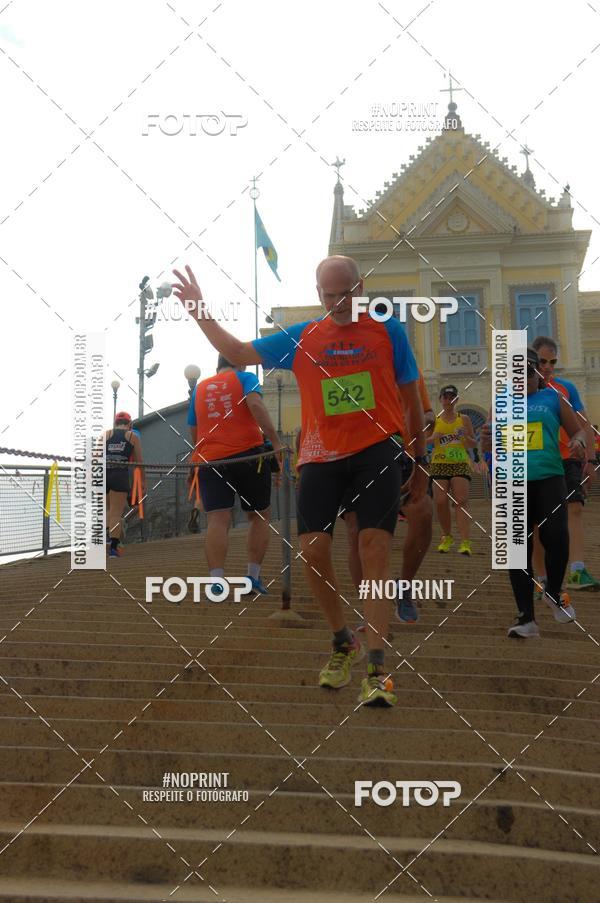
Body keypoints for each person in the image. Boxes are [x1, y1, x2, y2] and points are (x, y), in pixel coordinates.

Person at [173, 257, 427, 708]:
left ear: (360, 287)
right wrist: (198, 310)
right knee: (312, 551)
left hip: (377, 448)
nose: (338, 303)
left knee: (372, 548)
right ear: (318, 294)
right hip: (320, 455)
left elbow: (410, 396)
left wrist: (418, 460)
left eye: (346, 294)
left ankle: (376, 667)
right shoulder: (304, 337)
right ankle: (341, 641)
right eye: (329, 296)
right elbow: (237, 353)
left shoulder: (388, 332)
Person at [500, 348, 586, 637]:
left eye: (527, 371)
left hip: (549, 477)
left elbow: (578, 430)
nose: (521, 378)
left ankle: (552, 591)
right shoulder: (501, 402)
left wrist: (578, 441)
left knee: (556, 538)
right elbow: (491, 440)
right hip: (513, 482)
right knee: (517, 552)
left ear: (537, 373)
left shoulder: (552, 398)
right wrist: (487, 443)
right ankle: (526, 619)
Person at [343, 370, 435, 624]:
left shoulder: (405, 364)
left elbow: (427, 412)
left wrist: (426, 421)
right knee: (355, 530)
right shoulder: (346, 359)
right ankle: (370, 607)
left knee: (424, 513)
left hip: (402, 452)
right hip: (353, 453)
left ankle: (403, 586)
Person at [188, 354, 282, 596]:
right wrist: (275, 441)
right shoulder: (245, 377)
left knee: (217, 519)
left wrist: (200, 457)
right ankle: (252, 578)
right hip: (247, 455)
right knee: (259, 515)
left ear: (217, 364)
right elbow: (256, 405)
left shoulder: (199, 388)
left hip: (210, 458)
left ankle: (216, 583)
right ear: (240, 362)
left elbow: (194, 429)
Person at [531, 336, 598, 592]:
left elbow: (585, 425)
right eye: (543, 361)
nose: (548, 366)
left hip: (568, 460)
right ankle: (543, 579)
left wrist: (590, 460)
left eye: (553, 361)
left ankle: (578, 570)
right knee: (537, 524)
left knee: (575, 509)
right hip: (538, 463)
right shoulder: (523, 392)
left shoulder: (566, 388)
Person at [429, 385, 477, 555]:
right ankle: (447, 536)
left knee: (461, 500)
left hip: (459, 461)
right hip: (440, 463)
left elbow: (473, 443)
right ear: (441, 399)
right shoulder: (434, 420)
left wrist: (465, 438)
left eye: (452, 397)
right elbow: (422, 441)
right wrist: (433, 438)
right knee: (440, 501)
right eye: (446, 397)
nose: (449, 400)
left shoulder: (464, 419)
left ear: (456, 400)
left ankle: (465, 542)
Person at [105, 412, 144, 558]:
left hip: (103, 474)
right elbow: (140, 462)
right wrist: (143, 481)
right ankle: (113, 548)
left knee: (107, 510)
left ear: (115, 423)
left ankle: (108, 538)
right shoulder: (132, 436)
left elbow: (96, 457)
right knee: (116, 512)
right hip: (120, 474)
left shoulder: (105, 435)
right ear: (130, 424)